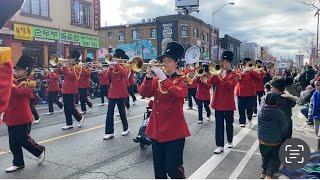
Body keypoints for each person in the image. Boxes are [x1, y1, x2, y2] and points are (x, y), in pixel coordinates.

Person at [139, 42, 190, 178]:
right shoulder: (156, 79)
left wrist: (163, 77)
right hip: (157, 130)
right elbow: (144, 92)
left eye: (169, 61)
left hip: (174, 131)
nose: (165, 63)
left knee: (172, 168)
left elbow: (180, 94)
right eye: (164, 61)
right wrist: (149, 77)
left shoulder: (182, 79)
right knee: (159, 170)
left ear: (176, 62)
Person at [3, 55, 45, 173]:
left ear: (26, 70)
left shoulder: (29, 82)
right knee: (13, 143)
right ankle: (18, 163)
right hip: (11, 116)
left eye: (19, 69)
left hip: (22, 117)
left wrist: (8, 79)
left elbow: (18, 91)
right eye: (15, 69)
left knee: (23, 139)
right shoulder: (13, 81)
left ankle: (40, 150)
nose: (16, 71)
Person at [208, 51, 239, 154]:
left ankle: (230, 140)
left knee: (229, 124)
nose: (224, 64)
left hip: (228, 104)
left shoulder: (234, 75)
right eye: (223, 62)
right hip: (218, 104)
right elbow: (209, 82)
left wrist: (220, 76)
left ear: (230, 63)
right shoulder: (218, 73)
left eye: (226, 62)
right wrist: (214, 74)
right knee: (219, 125)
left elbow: (229, 86)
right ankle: (220, 145)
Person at [258, 92, 288, 179]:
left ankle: (263, 171)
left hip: (262, 140)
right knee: (273, 157)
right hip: (275, 141)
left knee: (265, 156)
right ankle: (269, 174)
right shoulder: (279, 112)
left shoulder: (261, 110)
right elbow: (284, 127)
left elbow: (259, 124)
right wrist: (283, 136)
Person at [103, 49, 130, 140]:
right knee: (109, 113)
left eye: (116, 58)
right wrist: (110, 67)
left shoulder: (125, 66)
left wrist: (117, 64)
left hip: (120, 92)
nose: (114, 59)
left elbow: (124, 74)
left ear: (120, 58)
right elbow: (107, 77)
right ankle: (109, 132)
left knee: (122, 112)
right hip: (112, 92)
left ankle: (126, 128)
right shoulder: (112, 67)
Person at [56, 50, 84, 130]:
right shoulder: (68, 67)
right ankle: (69, 123)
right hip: (65, 89)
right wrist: (59, 66)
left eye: (71, 58)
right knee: (66, 107)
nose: (69, 60)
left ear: (75, 59)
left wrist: (65, 67)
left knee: (71, 106)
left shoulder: (78, 67)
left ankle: (80, 118)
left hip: (71, 89)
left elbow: (72, 76)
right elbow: (60, 73)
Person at [236, 58, 261, 127]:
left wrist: (251, 70)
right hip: (241, 93)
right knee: (241, 108)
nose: (249, 65)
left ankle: (249, 117)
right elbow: (238, 77)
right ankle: (242, 121)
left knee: (250, 108)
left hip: (251, 93)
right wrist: (244, 71)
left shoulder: (252, 71)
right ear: (244, 63)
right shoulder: (239, 70)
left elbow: (258, 77)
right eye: (248, 63)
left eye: (250, 63)